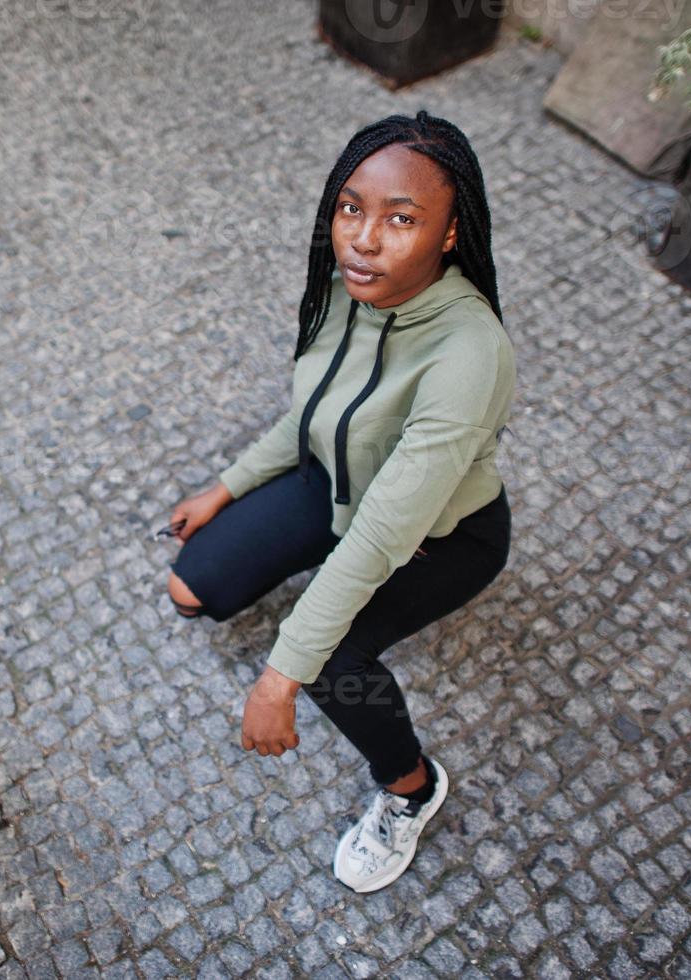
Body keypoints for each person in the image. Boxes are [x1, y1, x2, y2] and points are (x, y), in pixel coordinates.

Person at [162, 110, 516, 893]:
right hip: (334, 481)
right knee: (189, 588)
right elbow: (316, 410)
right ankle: (304, 579)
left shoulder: (468, 354)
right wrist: (227, 484)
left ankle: (411, 788)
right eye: (351, 207)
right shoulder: (348, 285)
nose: (363, 237)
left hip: (435, 536)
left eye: (401, 219)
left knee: (329, 663)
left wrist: (277, 675)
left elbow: (386, 529)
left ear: (451, 234)